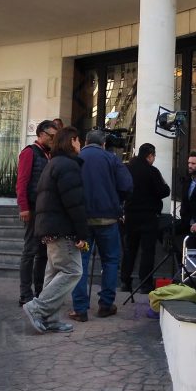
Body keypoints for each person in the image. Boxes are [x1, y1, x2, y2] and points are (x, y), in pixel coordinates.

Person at [22, 127, 89, 334]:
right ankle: (37, 308)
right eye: (79, 141)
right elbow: (74, 203)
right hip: (62, 229)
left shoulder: (53, 163)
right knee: (72, 271)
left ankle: (50, 319)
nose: (81, 146)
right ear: (72, 141)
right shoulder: (68, 166)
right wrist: (82, 233)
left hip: (50, 228)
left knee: (54, 273)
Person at [69, 129, 133, 321]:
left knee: (81, 263)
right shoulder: (111, 159)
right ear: (104, 144)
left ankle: (80, 308)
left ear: (85, 141)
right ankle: (106, 304)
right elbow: (127, 185)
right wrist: (116, 203)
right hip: (108, 220)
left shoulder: (77, 158)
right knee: (111, 261)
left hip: (82, 221)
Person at [15, 120, 57, 305]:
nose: (53, 139)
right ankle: (25, 293)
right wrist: (24, 207)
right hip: (32, 209)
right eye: (51, 136)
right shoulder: (29, 153)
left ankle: (40, 291)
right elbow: (22, 182)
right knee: (30, 251)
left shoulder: (49, 155)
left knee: (42, 252)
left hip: (45, 211)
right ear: (40, 134)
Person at [122, 142, 171, 294]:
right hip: (149, 216)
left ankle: (125, 281)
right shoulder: (152, 171)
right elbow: (163, 191)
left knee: (130, 249)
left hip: (130, 215)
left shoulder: (127, 169)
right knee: (147, 251)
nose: (154, 159)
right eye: (154, 156)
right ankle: (145, 283)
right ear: (150, 156)